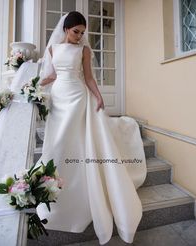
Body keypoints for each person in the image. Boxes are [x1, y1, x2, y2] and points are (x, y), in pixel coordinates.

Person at [36, 11, 147, 245]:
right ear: (66, 29)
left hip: (77, 97)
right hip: (58, 99)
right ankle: (53, 184)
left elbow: (88, 78)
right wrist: (34, 85)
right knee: (57, 142)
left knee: (74, 139)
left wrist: (98, 97)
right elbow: (53, 75)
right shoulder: (53, 49)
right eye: (76, 31)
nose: (79, 36)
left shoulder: (84, 50)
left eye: (82, 33)